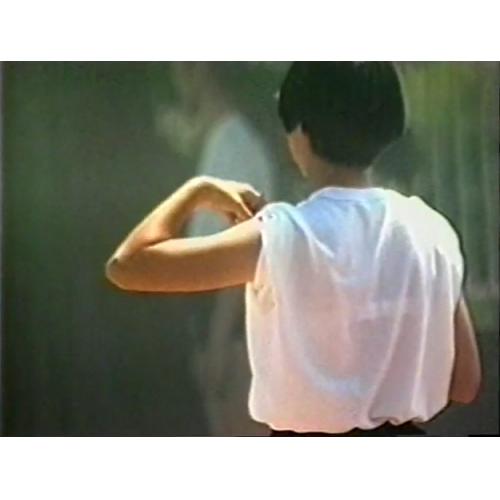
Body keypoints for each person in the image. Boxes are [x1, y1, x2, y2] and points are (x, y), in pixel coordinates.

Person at [105, 62, 482, 436]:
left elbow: (126, 266)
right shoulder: (432, 230)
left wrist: (197, 191)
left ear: (299, 132)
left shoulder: (281, 234)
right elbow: (465, 383)